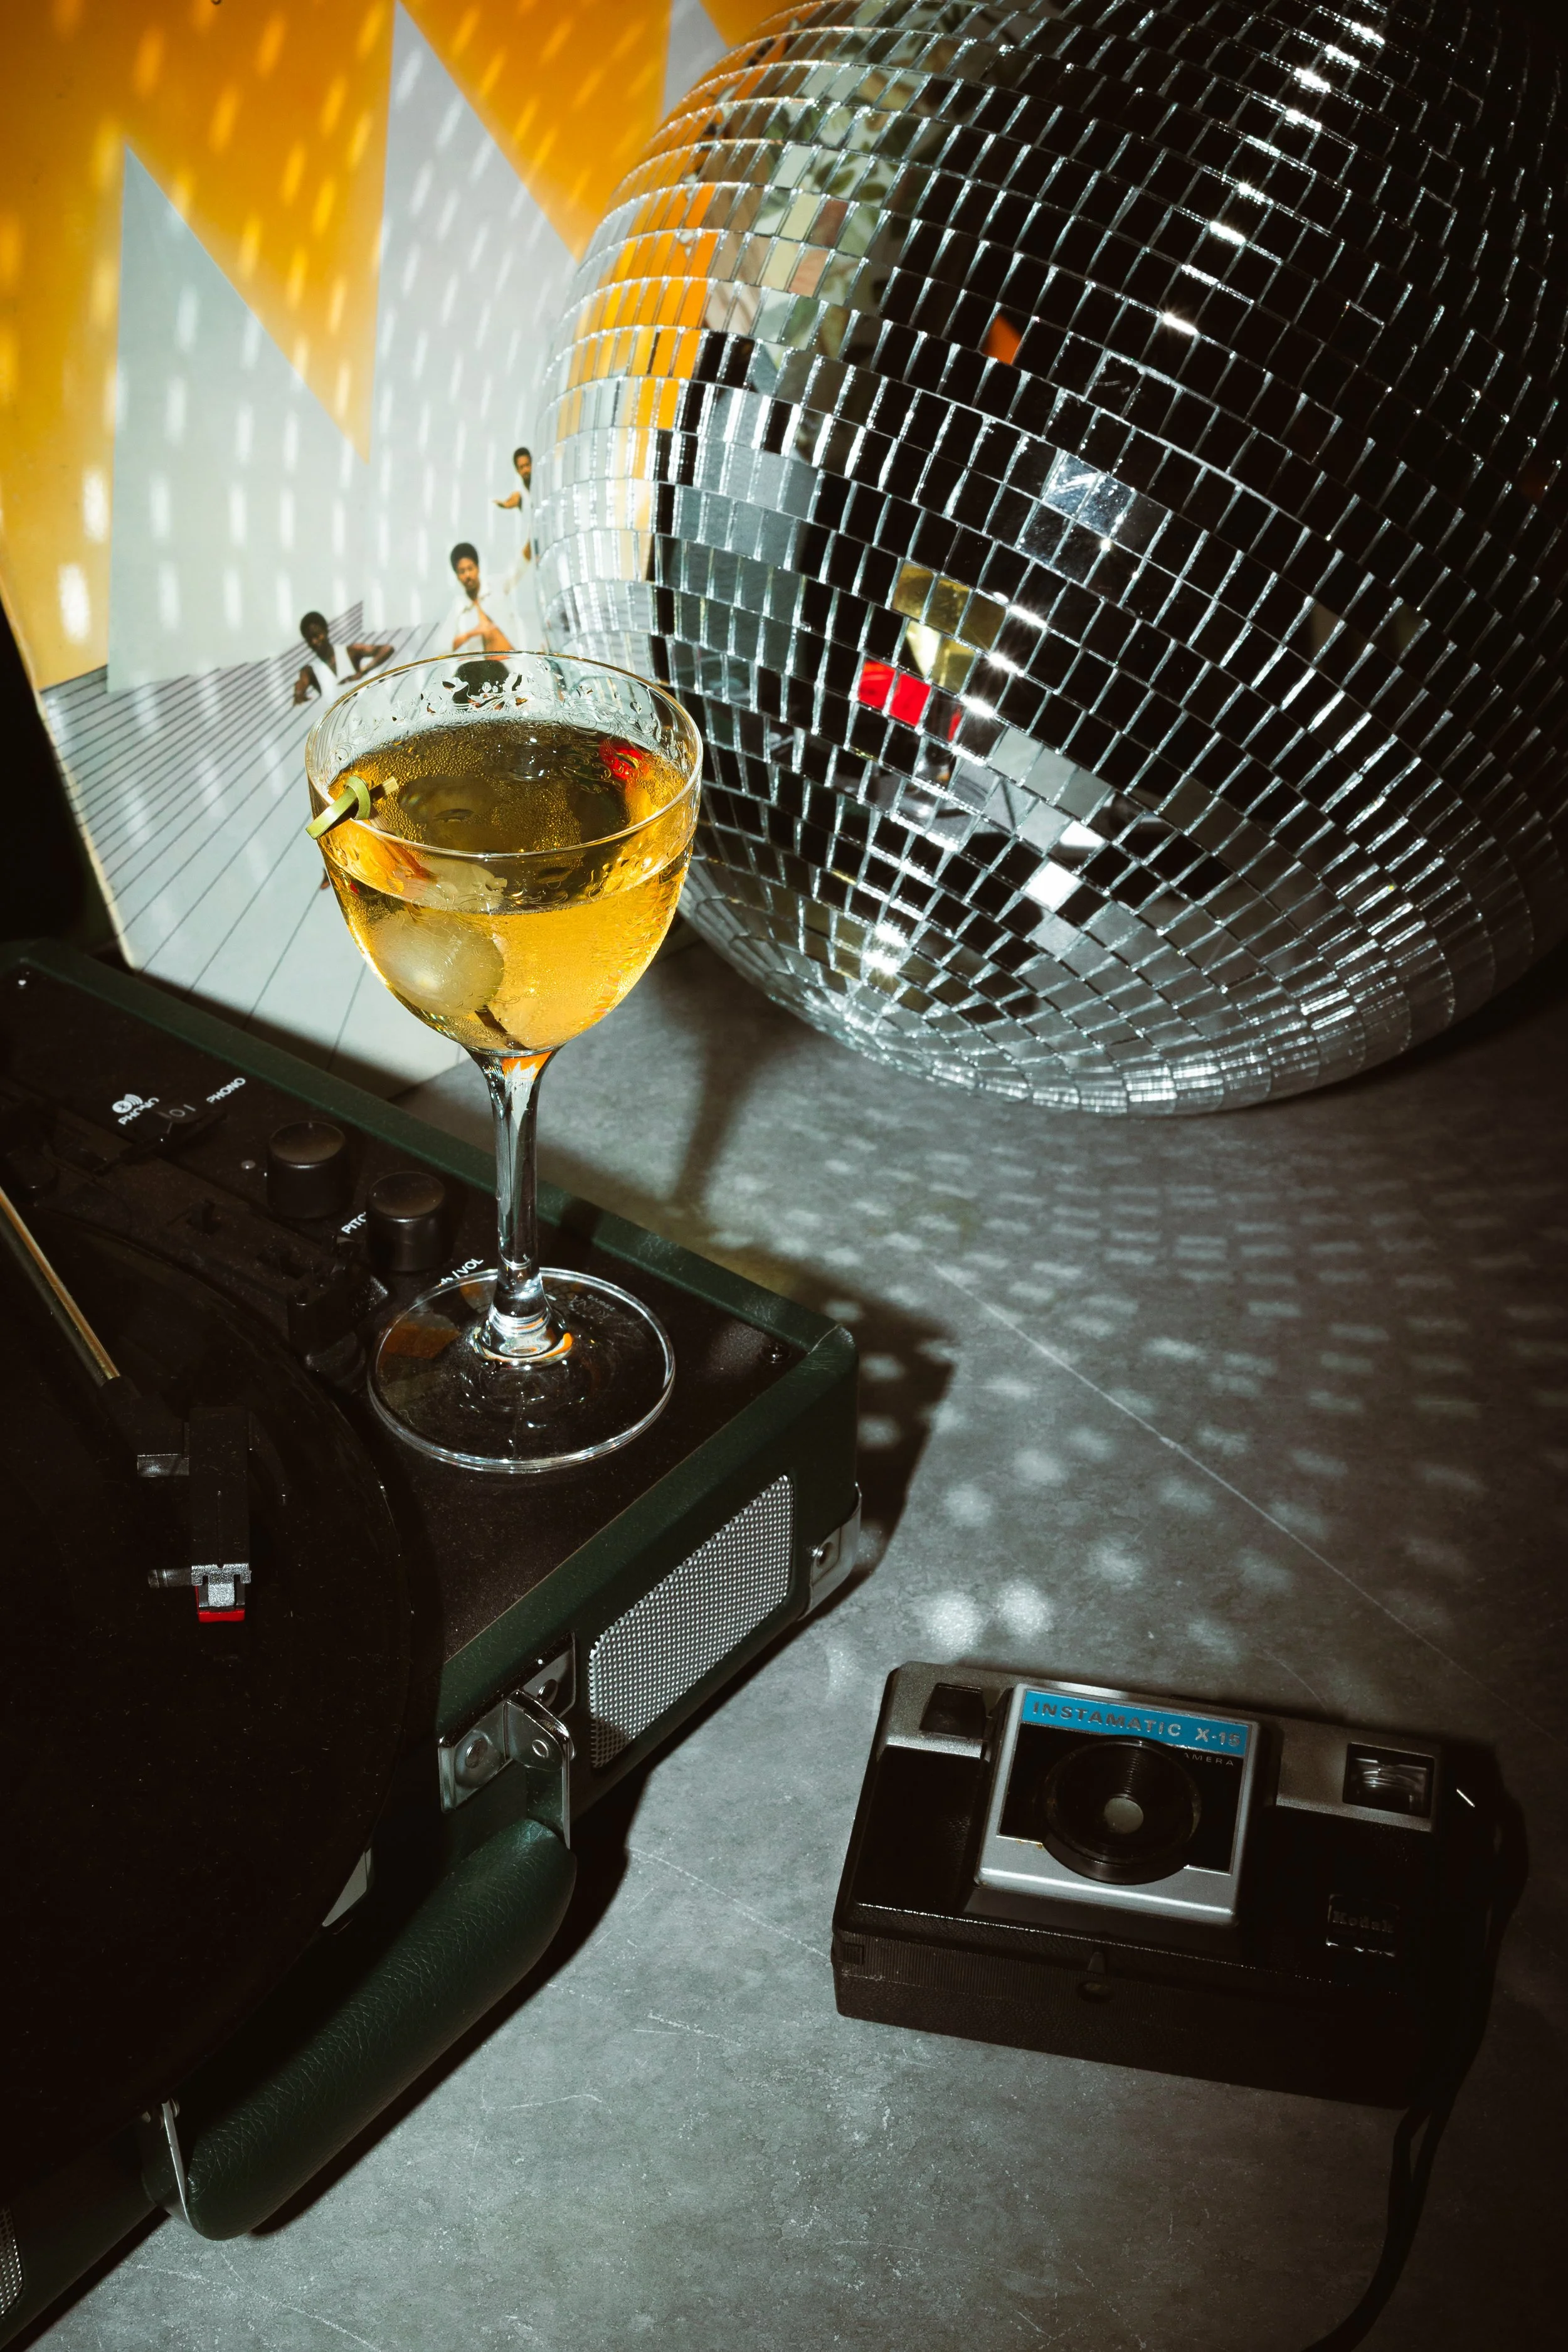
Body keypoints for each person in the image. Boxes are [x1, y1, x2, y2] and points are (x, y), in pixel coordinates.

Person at [494, 446, 544, 649]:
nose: (525, 470)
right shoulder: (521, 493)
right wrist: (507, 505)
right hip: (533, 549)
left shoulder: (542, 485)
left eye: (527, 465)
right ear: (517, 470)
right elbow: (514, 499)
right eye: (521, 467)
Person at [292, 613, 394, 706]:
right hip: (342, 720)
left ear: (326, 631)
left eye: (316, 635)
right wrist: (299, 693)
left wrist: (364, 671)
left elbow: (387, 649)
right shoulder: (310, 671)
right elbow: (302, 683)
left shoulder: (350, 652)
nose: (314, 642)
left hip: (368, 712)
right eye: (309, 639)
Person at [443, 543, 519, 655]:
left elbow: (520, 567)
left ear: (478, 568)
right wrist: (472, 633)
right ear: (457, 576)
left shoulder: (496, 586)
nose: (467, 575)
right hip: (481, 665)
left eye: (470, 568)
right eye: (462, 571)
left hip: (512, 662)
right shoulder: (458, 608)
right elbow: (443, 648)